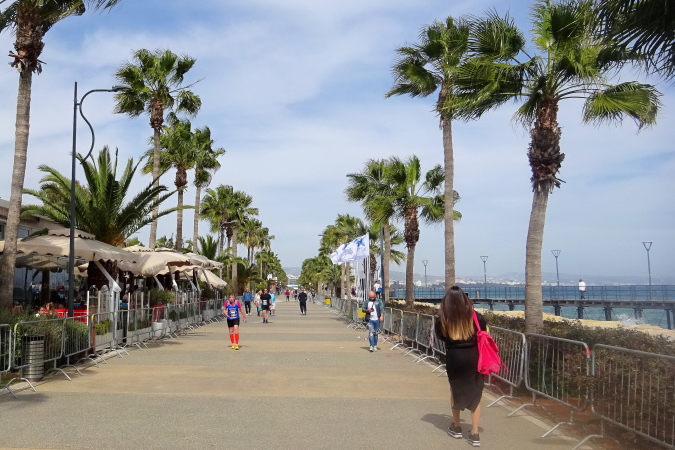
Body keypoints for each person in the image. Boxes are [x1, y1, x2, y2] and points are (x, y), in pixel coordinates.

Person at [435, 286, 487, 447]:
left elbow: (440, 336)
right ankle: (475, 434)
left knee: (455, 390)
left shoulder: (443, 319)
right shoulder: (475, 316)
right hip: (473, 355)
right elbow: (483, 330)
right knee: (475, 393)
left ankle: (456, 427)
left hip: (454, 355)